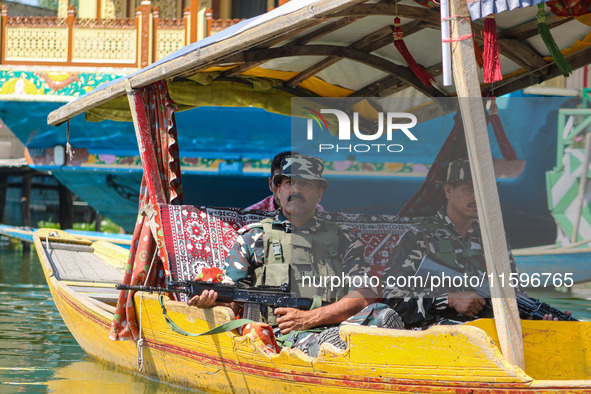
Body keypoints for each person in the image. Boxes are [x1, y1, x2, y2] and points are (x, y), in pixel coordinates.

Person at [190, 154, 401, 355]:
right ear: (277, 190)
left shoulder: (343, 238)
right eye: (288, 182)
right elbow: (233, 302)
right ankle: (331, 345)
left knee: (380, 314)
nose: (296, 189)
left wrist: (310, 318)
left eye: (305, 183)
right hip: (284, 336)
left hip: (339, 326)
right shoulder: (253, 238)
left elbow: (364, 296)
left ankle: (338, 342)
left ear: (319, 193)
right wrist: (211, 301)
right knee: (326, 342)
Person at [382, 158, 562, 328]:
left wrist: (539, 318)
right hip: (434, 337)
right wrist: (449, 300)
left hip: (485, 333)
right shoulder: (419, 235)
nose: (477, 196)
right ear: (448, 191)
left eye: (482, 189)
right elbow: (392, 303)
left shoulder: (494, 238)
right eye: (469, 188)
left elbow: (513, 295)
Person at [247, 151, 324, 212]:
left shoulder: (317, 211)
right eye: (288, 182)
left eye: (303, 183)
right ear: (270, 184)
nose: (295, 190)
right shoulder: (250, 217)